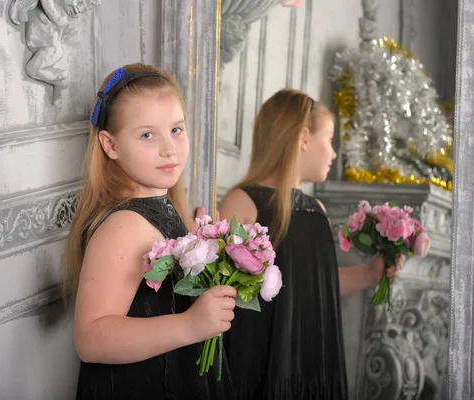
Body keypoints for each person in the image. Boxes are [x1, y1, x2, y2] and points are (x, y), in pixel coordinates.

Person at [63, 63, 237, 399]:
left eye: (176, 129)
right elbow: (91, 340)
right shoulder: (124, 225)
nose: (169, 148)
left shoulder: (160, 206)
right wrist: (190, 325)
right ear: (110, 146)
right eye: (147, 134)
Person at [218, 88, 403, 400]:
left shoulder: (317, 210)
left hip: (310, 362)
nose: (333, 153)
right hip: (260, 365)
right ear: (303, 139)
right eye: (329, 139)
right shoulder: (244, 202)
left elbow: (319, 284)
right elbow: (218, 286)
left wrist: (372, 273)